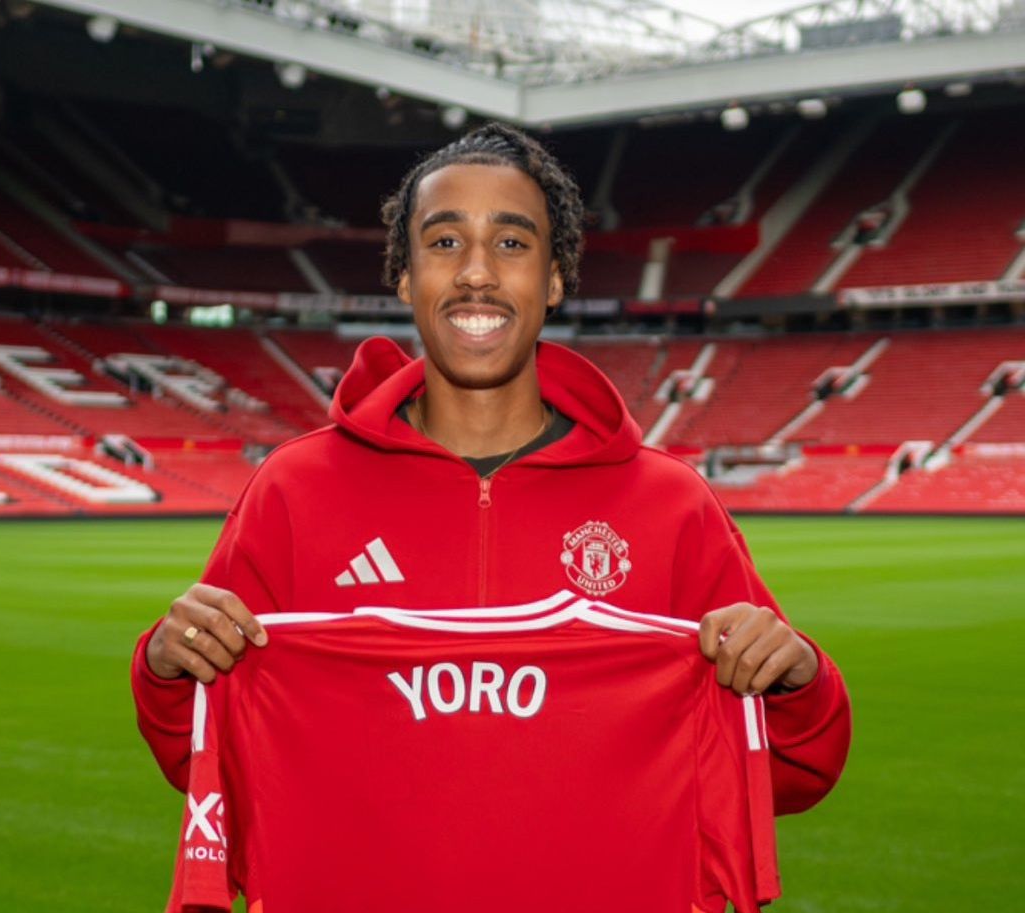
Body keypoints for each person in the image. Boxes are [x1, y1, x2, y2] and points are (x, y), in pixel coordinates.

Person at [132, 123, 850, 816]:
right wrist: (169, 669)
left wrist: (794, 683)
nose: (476, 273)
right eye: (445, 242)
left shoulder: (671, 503)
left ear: (555, 278)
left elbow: (787, 770)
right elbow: (211, 752)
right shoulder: (294, 490)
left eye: (511, 243)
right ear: (405, 276)